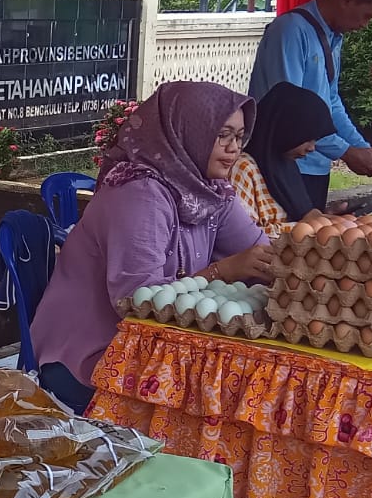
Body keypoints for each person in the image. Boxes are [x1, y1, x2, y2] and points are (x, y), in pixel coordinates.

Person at [31, 81, 274, 412]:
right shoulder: (139, 194)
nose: (234, 148)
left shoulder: (209, 192)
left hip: (156, 351)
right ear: (185, 131)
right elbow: (138, 304)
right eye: (222, 135)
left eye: (239, 136)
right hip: (91, 357)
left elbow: (263, 253)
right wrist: (223, 271)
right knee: (216, 408)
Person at [248, 0, 372, 210]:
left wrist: (360, 146)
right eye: (367, 16)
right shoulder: (291, 30)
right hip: (284, 164)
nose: (366, 25)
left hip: (316, 164)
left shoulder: (333, 36)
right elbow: (289, 112)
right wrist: (346, 152)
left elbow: (331, 101)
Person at [229, 82, 335, 239]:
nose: (312, 148)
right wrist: (304, 227)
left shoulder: (285, 166)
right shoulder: (244, 168)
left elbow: (301, 216)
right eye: (307, 138)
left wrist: (323, 218)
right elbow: (242, 237)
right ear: (287, 130)